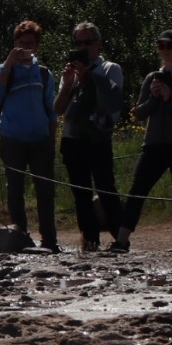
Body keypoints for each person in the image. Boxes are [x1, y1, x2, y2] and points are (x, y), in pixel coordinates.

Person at [114, 30, 172, 252]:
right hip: (153, 145)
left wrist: (171, 98)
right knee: (136, 190)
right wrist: (154, 97)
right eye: (160, 46)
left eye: (169, 46)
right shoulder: (152, 78)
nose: (165, 51)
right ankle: (121, 241)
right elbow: (139, 113)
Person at [0, 20, 60, 251]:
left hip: (40, 139)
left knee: (45, 192)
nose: (24, 47)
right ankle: (20, 238)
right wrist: (9, 64)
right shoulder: (3, 69)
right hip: (12, 138)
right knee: (15, 190)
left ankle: (49, 240)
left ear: (36, 46)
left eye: (29, 43)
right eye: (20, 43)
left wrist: (52, 138)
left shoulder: (44, 73)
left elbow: (52, 109)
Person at [55, 21, 124, 252]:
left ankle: (120, 237)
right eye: (78, 42)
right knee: (81, 193)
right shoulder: (71, 73)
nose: (83, 47)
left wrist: (88, 78)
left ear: (98, 44)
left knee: (106, 188)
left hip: (98, 138)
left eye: (88, 42)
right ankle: (90, 240)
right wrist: (66, 84)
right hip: (73, 139)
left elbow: (112, 100)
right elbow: (58, 108)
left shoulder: (109, 69)